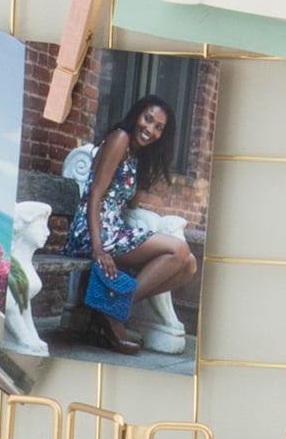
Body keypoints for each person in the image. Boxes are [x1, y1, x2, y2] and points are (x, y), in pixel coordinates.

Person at [69, 85, 194, 355]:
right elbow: (95, 195)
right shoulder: (120, 138)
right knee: (180, 250)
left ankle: (110, 306)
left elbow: (126, 201)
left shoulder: (136, 155)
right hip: (94, 231)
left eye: (159, 127)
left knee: (189, 266)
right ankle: (112, 311)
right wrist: (98, 248)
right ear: (137, 114)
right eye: (147, 119)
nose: (150, 129)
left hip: (113, 228)